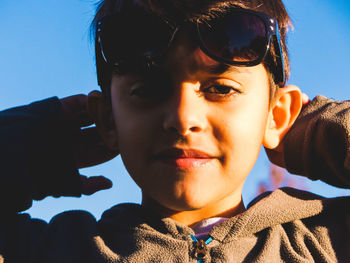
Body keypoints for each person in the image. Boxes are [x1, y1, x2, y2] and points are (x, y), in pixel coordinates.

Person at [1, 0, 350, 262]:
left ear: (276, 115)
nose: (183, 119)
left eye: (221, 88)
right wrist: (25, 149)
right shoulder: (52, 252)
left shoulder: (324, 243)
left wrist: (319, 133)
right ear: (108, 120)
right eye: (148, 90)